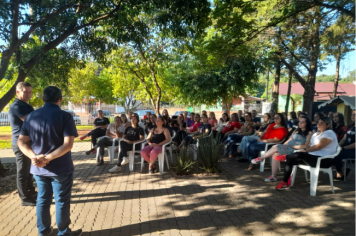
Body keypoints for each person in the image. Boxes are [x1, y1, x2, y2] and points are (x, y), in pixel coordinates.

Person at [17, 86, 82, 236]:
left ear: (43, 99)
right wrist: (47, 158)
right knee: (61, 201)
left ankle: (44, 231)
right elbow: (68, 144)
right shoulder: (65, 116)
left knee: (43, 199)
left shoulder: (31, 116)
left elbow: (21, 142)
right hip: (61, 168)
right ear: (60, 99)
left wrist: (34, 157)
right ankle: (64, 232)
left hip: (38, 168)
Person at [275, 117, 339, 190]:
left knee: (300, 154)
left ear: (327, 125)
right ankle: (284, 183)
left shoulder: (329, 133)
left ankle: (286, 157)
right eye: (318, 122)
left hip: (324, 160)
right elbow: (310, 145)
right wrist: (301, 148)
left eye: (322, 123)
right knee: (291, 160)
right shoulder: (316, 134)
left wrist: (305, 150)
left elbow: (318, 147)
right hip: (313, 158)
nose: (319, 124)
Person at [251, 115, 313, 180]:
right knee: (275, 154)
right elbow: (289, 140)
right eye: (299, 121)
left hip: (295, 150)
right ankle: (273, 176)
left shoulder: (309, 133)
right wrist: (283, 145)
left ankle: (261, 158)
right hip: (287, 147)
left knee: (275, 147)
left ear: (307, 123)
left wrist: (292, 146)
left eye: (302, 122)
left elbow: (306, 145)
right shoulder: (296, 130)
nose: (300, 123)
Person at [8, 82, 36, 206]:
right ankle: (24, 198)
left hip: (29, 143)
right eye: (26, 92)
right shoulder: (16, 106)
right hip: (20, 144)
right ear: (18, 92)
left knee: (30, 171)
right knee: (23, 172)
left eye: (30, 92)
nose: (29, 94)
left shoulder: (27, 105)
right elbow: (31, 121)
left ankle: (31, 192)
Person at [334, 110, 355, 180]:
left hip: (353, 151)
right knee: (333, 151)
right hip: (346, 149)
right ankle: (342, 170)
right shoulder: (350, 127)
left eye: (354, 114)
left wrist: (343, 148)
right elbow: (344, 139)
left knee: (336, 154)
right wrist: (337, 146)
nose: (352, 116)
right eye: (352, 114)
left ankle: (340, 172)